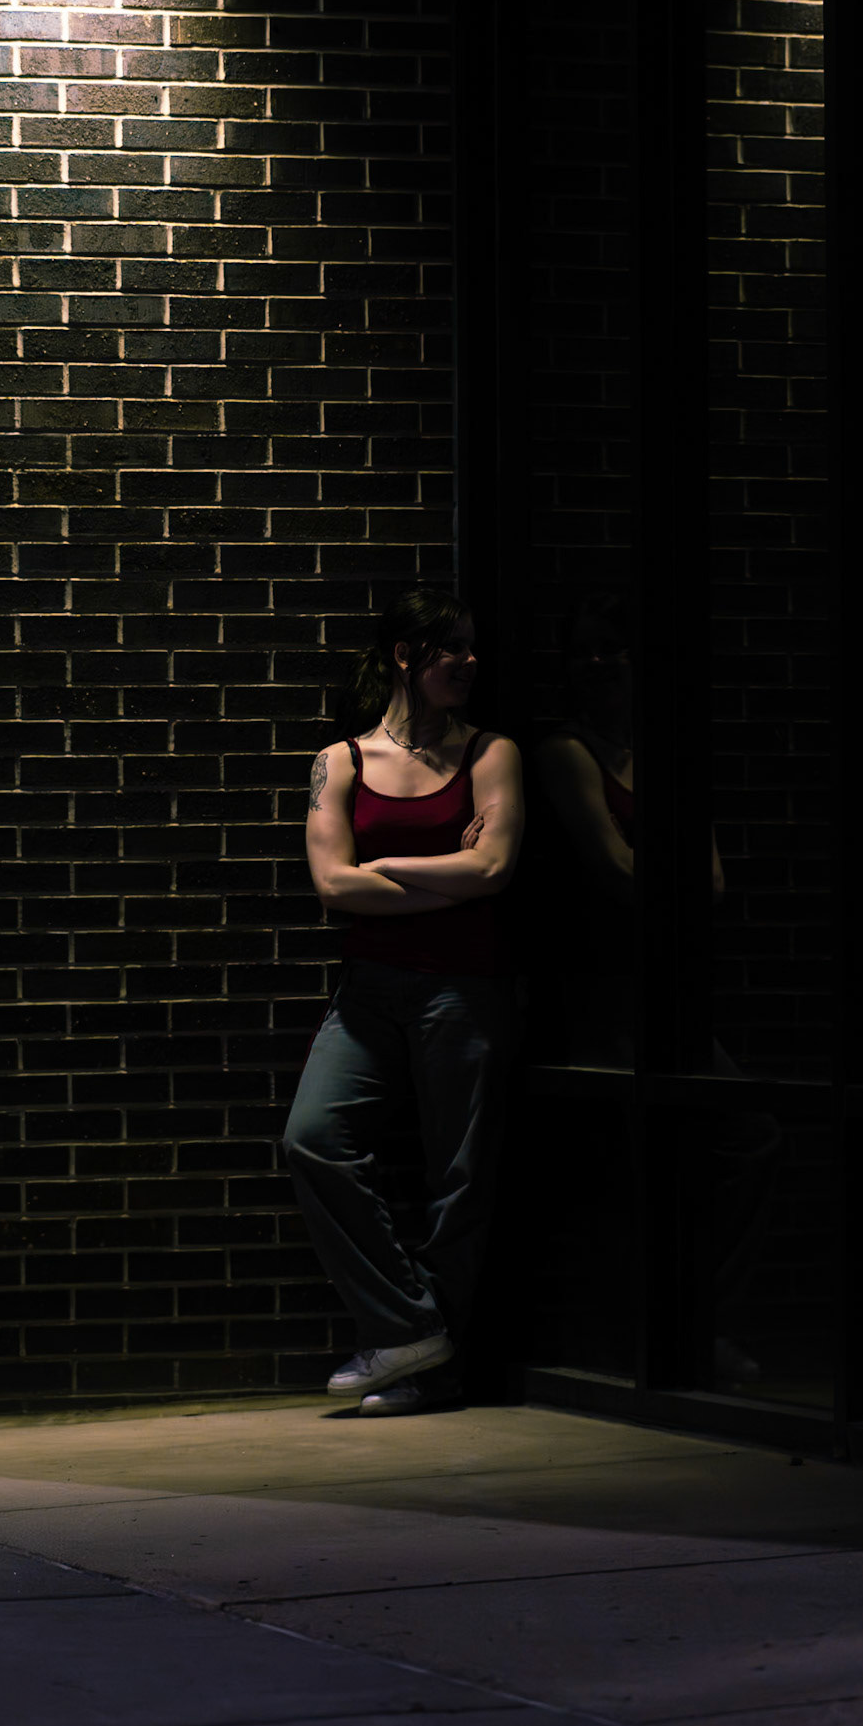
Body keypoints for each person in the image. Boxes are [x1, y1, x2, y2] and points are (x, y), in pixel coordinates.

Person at [283, 585, 524, 1416]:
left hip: (465, 988)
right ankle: (409, 1328)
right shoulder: (342, 762)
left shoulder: (491, 752)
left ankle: (427, 1373)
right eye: (450, 646)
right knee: (314, 1140)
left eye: (471, 645)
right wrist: (447, 876)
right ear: (403, 655)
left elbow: (494, 869)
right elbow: (330, 886)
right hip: (369, 990)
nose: (468, 661)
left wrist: (383, 871)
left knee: (460, 1179)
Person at [531, 588, 780, 1385]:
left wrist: (662, 879)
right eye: (581, 650)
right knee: (630, 1170)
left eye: (610, 648)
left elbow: (714, 879)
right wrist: (668, 881)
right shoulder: (567, 752)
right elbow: (613, 868)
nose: (596, 663)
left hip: (666, 994)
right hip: (600, 993)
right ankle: (642, 1345)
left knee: (749, 1138)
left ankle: (696, 1326)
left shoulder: (664, 756)